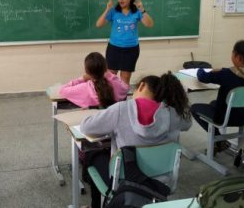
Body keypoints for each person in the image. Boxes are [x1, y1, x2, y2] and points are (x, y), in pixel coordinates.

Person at [80, 72, 191, 208]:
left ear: (142, 86)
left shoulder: (121, 109)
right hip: (161, 181)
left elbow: (86, 128)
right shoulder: (174, 113)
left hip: (124, 182)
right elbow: (188, 123)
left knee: (92, 154)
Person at [190, 40, 244, 153]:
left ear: (239, 58)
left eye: (233, 53)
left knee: (194, 108)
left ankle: (219, 141)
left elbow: (203, 77)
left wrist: (199, 69)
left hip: (225, 117)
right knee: (213, 103)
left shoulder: (227, 74)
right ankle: (220, 142)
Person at [96, 0, 154, 85]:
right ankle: (111, 100)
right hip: (114, 48)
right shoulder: (114, 11)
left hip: (131, 50)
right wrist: (107, 9)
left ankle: (123, 100)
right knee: (110, 77)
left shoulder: (136, 11)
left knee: (125, 78)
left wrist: (142, 9)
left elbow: (149, 24)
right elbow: (99, 24)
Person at [59, 52, 129, 108]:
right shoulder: (116, 83)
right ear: (105, 68)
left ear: (87, 71)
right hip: (114, 122)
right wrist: (110, 75)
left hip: (93, 124)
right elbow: (126, 88)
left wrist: (82, 78)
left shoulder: (85, 88)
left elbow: (62, 90)